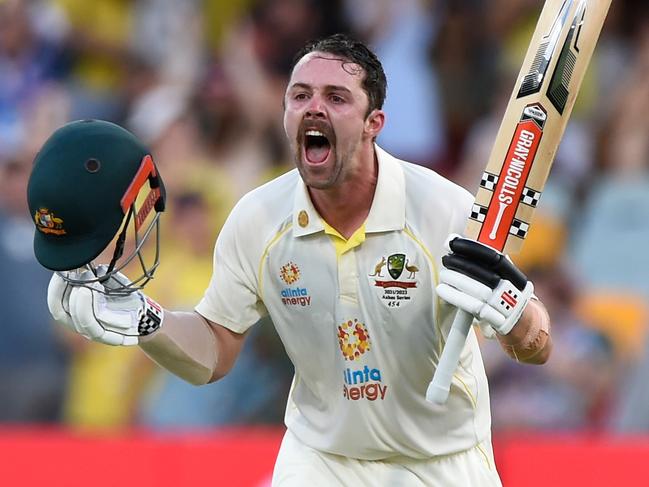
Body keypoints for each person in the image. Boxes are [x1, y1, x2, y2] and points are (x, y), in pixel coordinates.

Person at [30, 34, 552, 486]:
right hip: (322, 459)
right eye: (299, 95)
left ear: (374, 123)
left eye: (336, 97)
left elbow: (536, 346)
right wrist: (151, 324)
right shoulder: (258, 219)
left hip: (444, 461)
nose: (313, 107)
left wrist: (514, 314)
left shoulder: (444, 212)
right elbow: (216, 350)